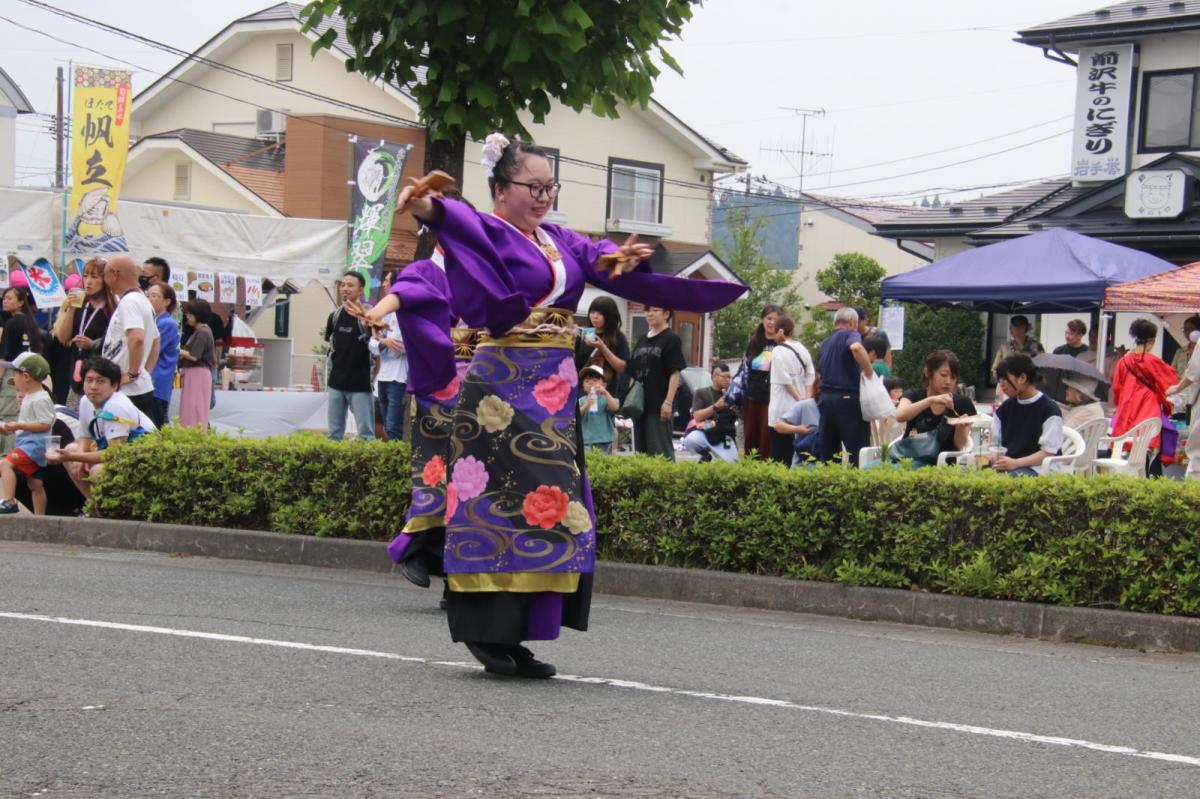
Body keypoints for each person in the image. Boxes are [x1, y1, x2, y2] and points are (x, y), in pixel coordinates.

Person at [358, 134, 743, 678]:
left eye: (549, 187)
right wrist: (424, 204)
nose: (542, 196)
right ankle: (484, 630)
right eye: (532, 187)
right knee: (497, 501)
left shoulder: (560, 241)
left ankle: (518, 629)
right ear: (500, 188)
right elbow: (455, 221)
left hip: (552, 394)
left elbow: (604, 263)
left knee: (553, 502)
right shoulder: (489, 230)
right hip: (498, 387)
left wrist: (626, 258)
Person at [50, 357, 156, 500]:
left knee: (98, 471)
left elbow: (113, 454)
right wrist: (77, 459)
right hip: (116, 452)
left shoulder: (116, 405)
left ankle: (112, 512)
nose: (93, 386)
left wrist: (75, 457)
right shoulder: (86, 401)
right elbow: (85, 438)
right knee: (71, 449)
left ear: (115, 385)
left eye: (100, 381)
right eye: (89, 380)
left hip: (142, 458)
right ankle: (95, 508)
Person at [1110, 318, 1177, 472]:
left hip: (1125, 413)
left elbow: (1116, 389)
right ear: (1152, 341)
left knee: (1124, 457)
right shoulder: (1153, 361)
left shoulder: (1123, 361)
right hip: (1147, 412)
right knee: (1146, 457)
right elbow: (1170, 385)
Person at [100, 255, 161, 421]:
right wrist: (143, 371)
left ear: (114, 274)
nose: (104, 281)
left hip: (127, 391)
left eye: (104, 275)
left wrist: (132, 373)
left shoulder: (129, 302)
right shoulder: (143, 300)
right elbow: (156, 341)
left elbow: (137, 338)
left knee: (121, 441)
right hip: (137, 388)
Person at [52, 257, 114, 411]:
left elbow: (115, 341)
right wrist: (71, 309)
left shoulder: (112, 308)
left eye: (94, 277)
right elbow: (63, 337)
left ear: (104, 280)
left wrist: (92, 344)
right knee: (74, 417)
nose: (88, 282)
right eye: (85, 276)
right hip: (76, 371)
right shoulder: (81, 304)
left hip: (101, 372)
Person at [816, 307, 874, 465]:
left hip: (825, 400)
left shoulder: (825, 343)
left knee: (829, 455)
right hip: (848, 399)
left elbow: (819, 373)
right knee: (858, 453)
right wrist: (869, 370)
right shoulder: (850, 334)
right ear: (852, 323)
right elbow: (856, 347)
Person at [893, 350, 976, 461]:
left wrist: (960, 428)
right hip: (908, 459)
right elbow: (900, 416)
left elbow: (959, 446)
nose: (948, 381)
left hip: (942, 464)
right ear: (927, 372)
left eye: (953, 377)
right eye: (943, 375)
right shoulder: (914, 395)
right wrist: (931, 400)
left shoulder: (963, 403)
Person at [0, 353, 55, 514]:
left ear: (26, 376)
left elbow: (45, 424)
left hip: (34, 446)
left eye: (14, 374)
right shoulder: (30, 396)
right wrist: (14, 428)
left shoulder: (40, 399)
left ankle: (9, 501)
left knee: (5, 464)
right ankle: (40, 518)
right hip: (27, 443)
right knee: (35, 484)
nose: (13, 380)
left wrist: (18, 425)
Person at [992, 354, 1063, 476]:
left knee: (1011, 479)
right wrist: (993, 456)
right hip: (1009, 465)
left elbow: (1048, 452)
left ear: (1022, 378)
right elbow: (995, 443)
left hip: (1039, 468)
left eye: (1005, 379)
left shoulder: (1048, 409)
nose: (1002, 385)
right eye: (999, 380)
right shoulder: (1004, 409)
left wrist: (1016, 463)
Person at [630, 306, 686, 460]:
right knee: (641, 454)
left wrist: (668, 402)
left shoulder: (671, 339)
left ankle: (667, 484)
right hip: (639, 405)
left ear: (666, 313)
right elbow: (632, 371)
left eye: (655, 310)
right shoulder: (641, 339)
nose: (649, 313)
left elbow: (675, 373)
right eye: (647, 310)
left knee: (660, 453)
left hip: (659, 406)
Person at [324, 271, 375, 441]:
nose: (345, 289)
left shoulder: (369, 316)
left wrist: (365, 322)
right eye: (343, 285)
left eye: (350, 285)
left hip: (360, 383)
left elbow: (377, 347)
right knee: (333, 434)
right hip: (336, 383)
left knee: (366, 434)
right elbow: (331, 345)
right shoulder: (335, 316)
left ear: (360, 290)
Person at [0, 286, 45, 455]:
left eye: (10, 298)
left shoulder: (11, 324)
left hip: (13, 374)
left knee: (7, 414)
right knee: (21, 413)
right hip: (31, 375)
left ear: (20, 302)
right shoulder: (30, 322)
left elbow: (4, 357)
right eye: (4, 298)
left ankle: (7, 455)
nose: (5, 301)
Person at [767, 315, 814, 464]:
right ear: (792, 331)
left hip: (781, 407)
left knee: (780, 454)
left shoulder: (778, 350)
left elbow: (784, 379)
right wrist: (805, 397)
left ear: (777, 331)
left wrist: (798, 398)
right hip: (799, 410)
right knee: (798, 452)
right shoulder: (802, 348)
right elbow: (811, 374)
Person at [740, 305, 781, 460]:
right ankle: (750, 467)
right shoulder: (755, 341)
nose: (771, 323)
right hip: (752, 395)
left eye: (775, 319)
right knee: (751, 435)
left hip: (772, 397)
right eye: (768, 318)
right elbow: (746, 369)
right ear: (762, 320)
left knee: (767, 437)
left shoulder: (782, 343)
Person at [574, 295, 629, 399]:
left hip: (605, 396)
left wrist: (602, 348)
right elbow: (573, 365)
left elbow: (622, 368)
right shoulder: (583, 335)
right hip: (581, 395)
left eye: (600, 313)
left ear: (609, 316)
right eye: (592, 312)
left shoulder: (617, 337)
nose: (595, 316)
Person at [683, 362, 738, 463]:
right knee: (689, 440)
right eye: (725, 377)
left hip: (725, 437)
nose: (728, 380)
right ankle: (705, 455)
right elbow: (697, 416)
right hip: (706, 433)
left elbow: (740, 418)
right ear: (715, 376)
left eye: (729, 377)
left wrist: (737, 410)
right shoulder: (701, 392)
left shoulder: (732, 394)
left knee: (732, 465)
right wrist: (715, 407)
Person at [369, 308, 407, 442]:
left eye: (387, 284)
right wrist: (385, 342)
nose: (384, 285)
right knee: (385, 425)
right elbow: (372, 346)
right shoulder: (385, 316)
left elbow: (403, 347)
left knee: (393, 426)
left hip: (399, 378)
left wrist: (384, 341)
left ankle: (396, 457)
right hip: (382, 378)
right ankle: (390, 456)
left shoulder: (409, 315)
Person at [177, 300, 216, 430]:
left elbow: (194, 356)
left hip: (197, 373)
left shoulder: (202, 332)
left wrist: (177, 350)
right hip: (197, 373)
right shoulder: (203, 331)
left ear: (197, 315)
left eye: (190, 314)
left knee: (193, 409)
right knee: (194, 407)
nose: (187, 316)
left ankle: (192, 436)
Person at [146, 282, 180, 428]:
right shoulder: (155, 321)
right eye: (148, 295)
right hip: (153, 381)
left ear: (167, 302)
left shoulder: (166, 323)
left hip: (157, 381)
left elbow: (150, 350)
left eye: (154, 296)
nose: (149, 299)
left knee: (152, 426)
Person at [579, 364, 618, 453]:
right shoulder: (581, 401)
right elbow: (576, 415)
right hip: (586, 440)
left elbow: (615, 407)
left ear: (603, 385)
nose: (591, 383)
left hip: (604, 440)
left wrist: (605, 393)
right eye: (587, 381)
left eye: (595, 380)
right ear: (583, 386)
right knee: (588, 463)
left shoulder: (606, 399)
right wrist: (586, 405)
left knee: (602, 463)